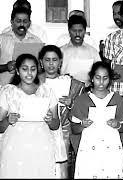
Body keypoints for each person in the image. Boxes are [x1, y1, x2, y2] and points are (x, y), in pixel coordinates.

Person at [0, 53, 59, 178]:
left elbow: (56, 125)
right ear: (17, 71)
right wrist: (7, 120)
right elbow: (0, 126)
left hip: (41, 145)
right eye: (24, 69)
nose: (29, 73)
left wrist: (50, 120)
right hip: (15, 146)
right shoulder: (8, 92)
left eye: (33, 69)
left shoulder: (47, 91)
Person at [70, 61, 123, 179]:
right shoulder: (82, 100)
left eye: (105, 78)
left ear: (110, 79)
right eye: (98, 78)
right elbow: (74, 129)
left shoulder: (117, 99)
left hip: (111, 150)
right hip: (89, 150)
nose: (101, 82)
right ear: (92, 78)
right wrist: (82, 124)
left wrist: (117, 125)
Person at [38, 45, 85, 178]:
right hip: (39, 132)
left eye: (54, 59)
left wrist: (72, 104)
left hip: (65, 135)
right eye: (47, 60)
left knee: (62, 171)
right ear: (41, 62)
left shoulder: (72, 84)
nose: (51, 63)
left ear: (60, 62)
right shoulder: (34, 82)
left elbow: (84, 112)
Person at [0, 7, 42, 86]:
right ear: (12, 22)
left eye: (25, 21)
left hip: (28, 90)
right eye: (18, 21)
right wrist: (6, 67)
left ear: (29, 23)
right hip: (4, 88)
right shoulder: (1, 40)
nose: (22, 24)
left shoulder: (36, 41)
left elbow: (41, 68)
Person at [60, 15, 101, 87]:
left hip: (87, 90)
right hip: (65, 89)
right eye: (74, 31)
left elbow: (99, 72)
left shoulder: (93, 52)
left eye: (80, 31)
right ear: (69, 31)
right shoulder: (61, 51)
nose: (77, 34)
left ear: (85, 31)